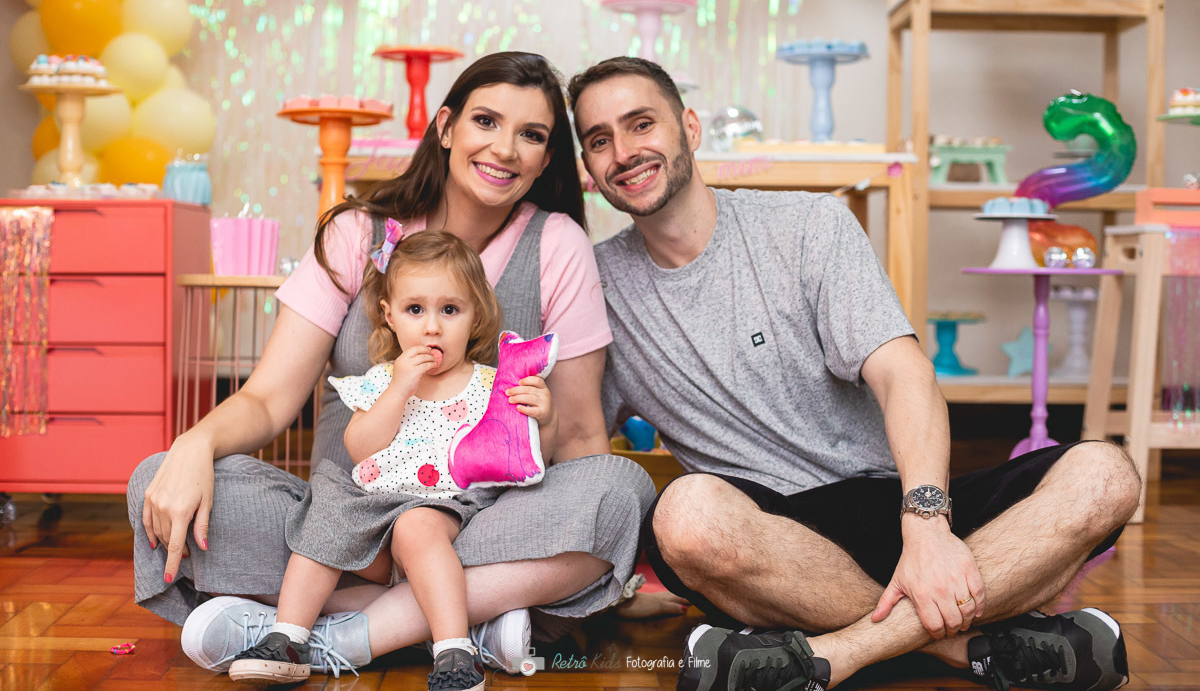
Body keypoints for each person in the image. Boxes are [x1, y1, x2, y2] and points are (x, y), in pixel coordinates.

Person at [567, 56, 1141, 691]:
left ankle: (839, 653)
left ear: (690, 128)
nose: (624, 152)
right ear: (588, 167)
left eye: (641, 124)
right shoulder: (593, 286)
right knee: (684, 516)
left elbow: (904, 373)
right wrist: (614, 590)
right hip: (769, 541)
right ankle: (965, 647)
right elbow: (579, 446)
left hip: (893, 501)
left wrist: (927, 524)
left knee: (1105, 474)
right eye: (599, 139)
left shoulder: (808, 225)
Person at [128, 52, 660, 679]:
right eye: (485, 121)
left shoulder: (557, 243)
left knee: (622, 491)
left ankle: (328, 632)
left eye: (532, 134)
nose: (505, 148)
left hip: (477, 523)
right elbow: (269, 400)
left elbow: (576, 435)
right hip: (338, 529)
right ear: (446, 127)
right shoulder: (358, 232)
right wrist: (194, 444)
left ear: (547, 158)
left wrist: (608, 561)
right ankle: (463, 622)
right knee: (156, 481)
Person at [226, 228, 556, 689]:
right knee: (327, 509)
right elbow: (359, 447)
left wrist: (545, 417)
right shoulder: (383, 379)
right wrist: (399, 388)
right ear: (390, 316)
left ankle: (454, 652)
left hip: (447, 512)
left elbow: (531, 453)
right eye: (415, 309)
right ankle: (289, 637)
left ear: (475, 314)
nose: (432, 327)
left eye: (450, 310)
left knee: (415, 525)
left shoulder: (489, 383)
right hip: (373, 520)